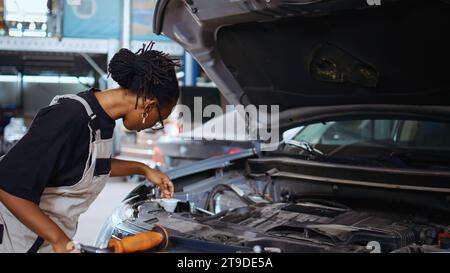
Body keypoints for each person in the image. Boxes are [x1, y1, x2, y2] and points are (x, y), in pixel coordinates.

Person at [0, 42, 179, 253]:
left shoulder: (102, 120)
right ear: (148, 105)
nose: (154, 126)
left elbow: (90, 165)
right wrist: (59, 240)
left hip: (45, 241)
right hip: (15, 240)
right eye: (159, 119)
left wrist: (144, 169)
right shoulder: (68, 116)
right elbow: (8, 185)